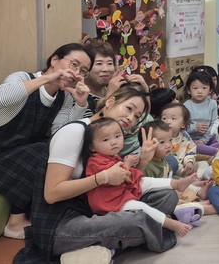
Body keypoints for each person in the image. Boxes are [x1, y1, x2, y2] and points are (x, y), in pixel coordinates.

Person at [17, 86, 177, 262]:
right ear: (110, 102)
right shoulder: (75, 132)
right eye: (129, 108)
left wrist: (144, 160)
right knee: (137, 221)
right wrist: (102, 178)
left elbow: (121, 188)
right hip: (61, 225)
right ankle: (91, 248)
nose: (131, 118)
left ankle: (102, 247)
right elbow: (52, 193)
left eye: (137, 116)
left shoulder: (109, 137)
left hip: (94, 211)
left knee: (167, 196)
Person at [0, 43, 94, 240]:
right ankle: (16, 222)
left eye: (83, 71)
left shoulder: (63, 98)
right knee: (43, 150)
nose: (76, 73)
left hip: (2, 164)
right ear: (54, 60)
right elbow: (0, 98)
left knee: (52, 148)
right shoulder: (22, 79)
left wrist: (80, 104)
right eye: (74, 64)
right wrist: (47, 78)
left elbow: (60, 134)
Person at [83, 119, 197, 236]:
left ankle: (177, 184)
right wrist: (127, 164)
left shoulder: (111, 156)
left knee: (145, 181)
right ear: (92, 146)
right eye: (106, 140)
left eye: (117, 136)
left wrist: (130, 164)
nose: (114, 142)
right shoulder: (95, 161)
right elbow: (117, 178)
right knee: (141, 207)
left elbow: (129, 177)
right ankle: (170, 223)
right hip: (110, 201)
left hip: (119, 192)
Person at [183, 69, 219, 155]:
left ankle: (207, 151)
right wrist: (195, 127)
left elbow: (214, 124)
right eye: (195, 88)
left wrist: (204, 140)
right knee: (194, 146)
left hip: (208, 137)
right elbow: (182, 128)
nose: (200, 91)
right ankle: (215, 152)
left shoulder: (212, 104)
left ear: (210, 90)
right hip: (191, 139)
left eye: (204, 88)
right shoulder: (186, 106)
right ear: (189, 90)